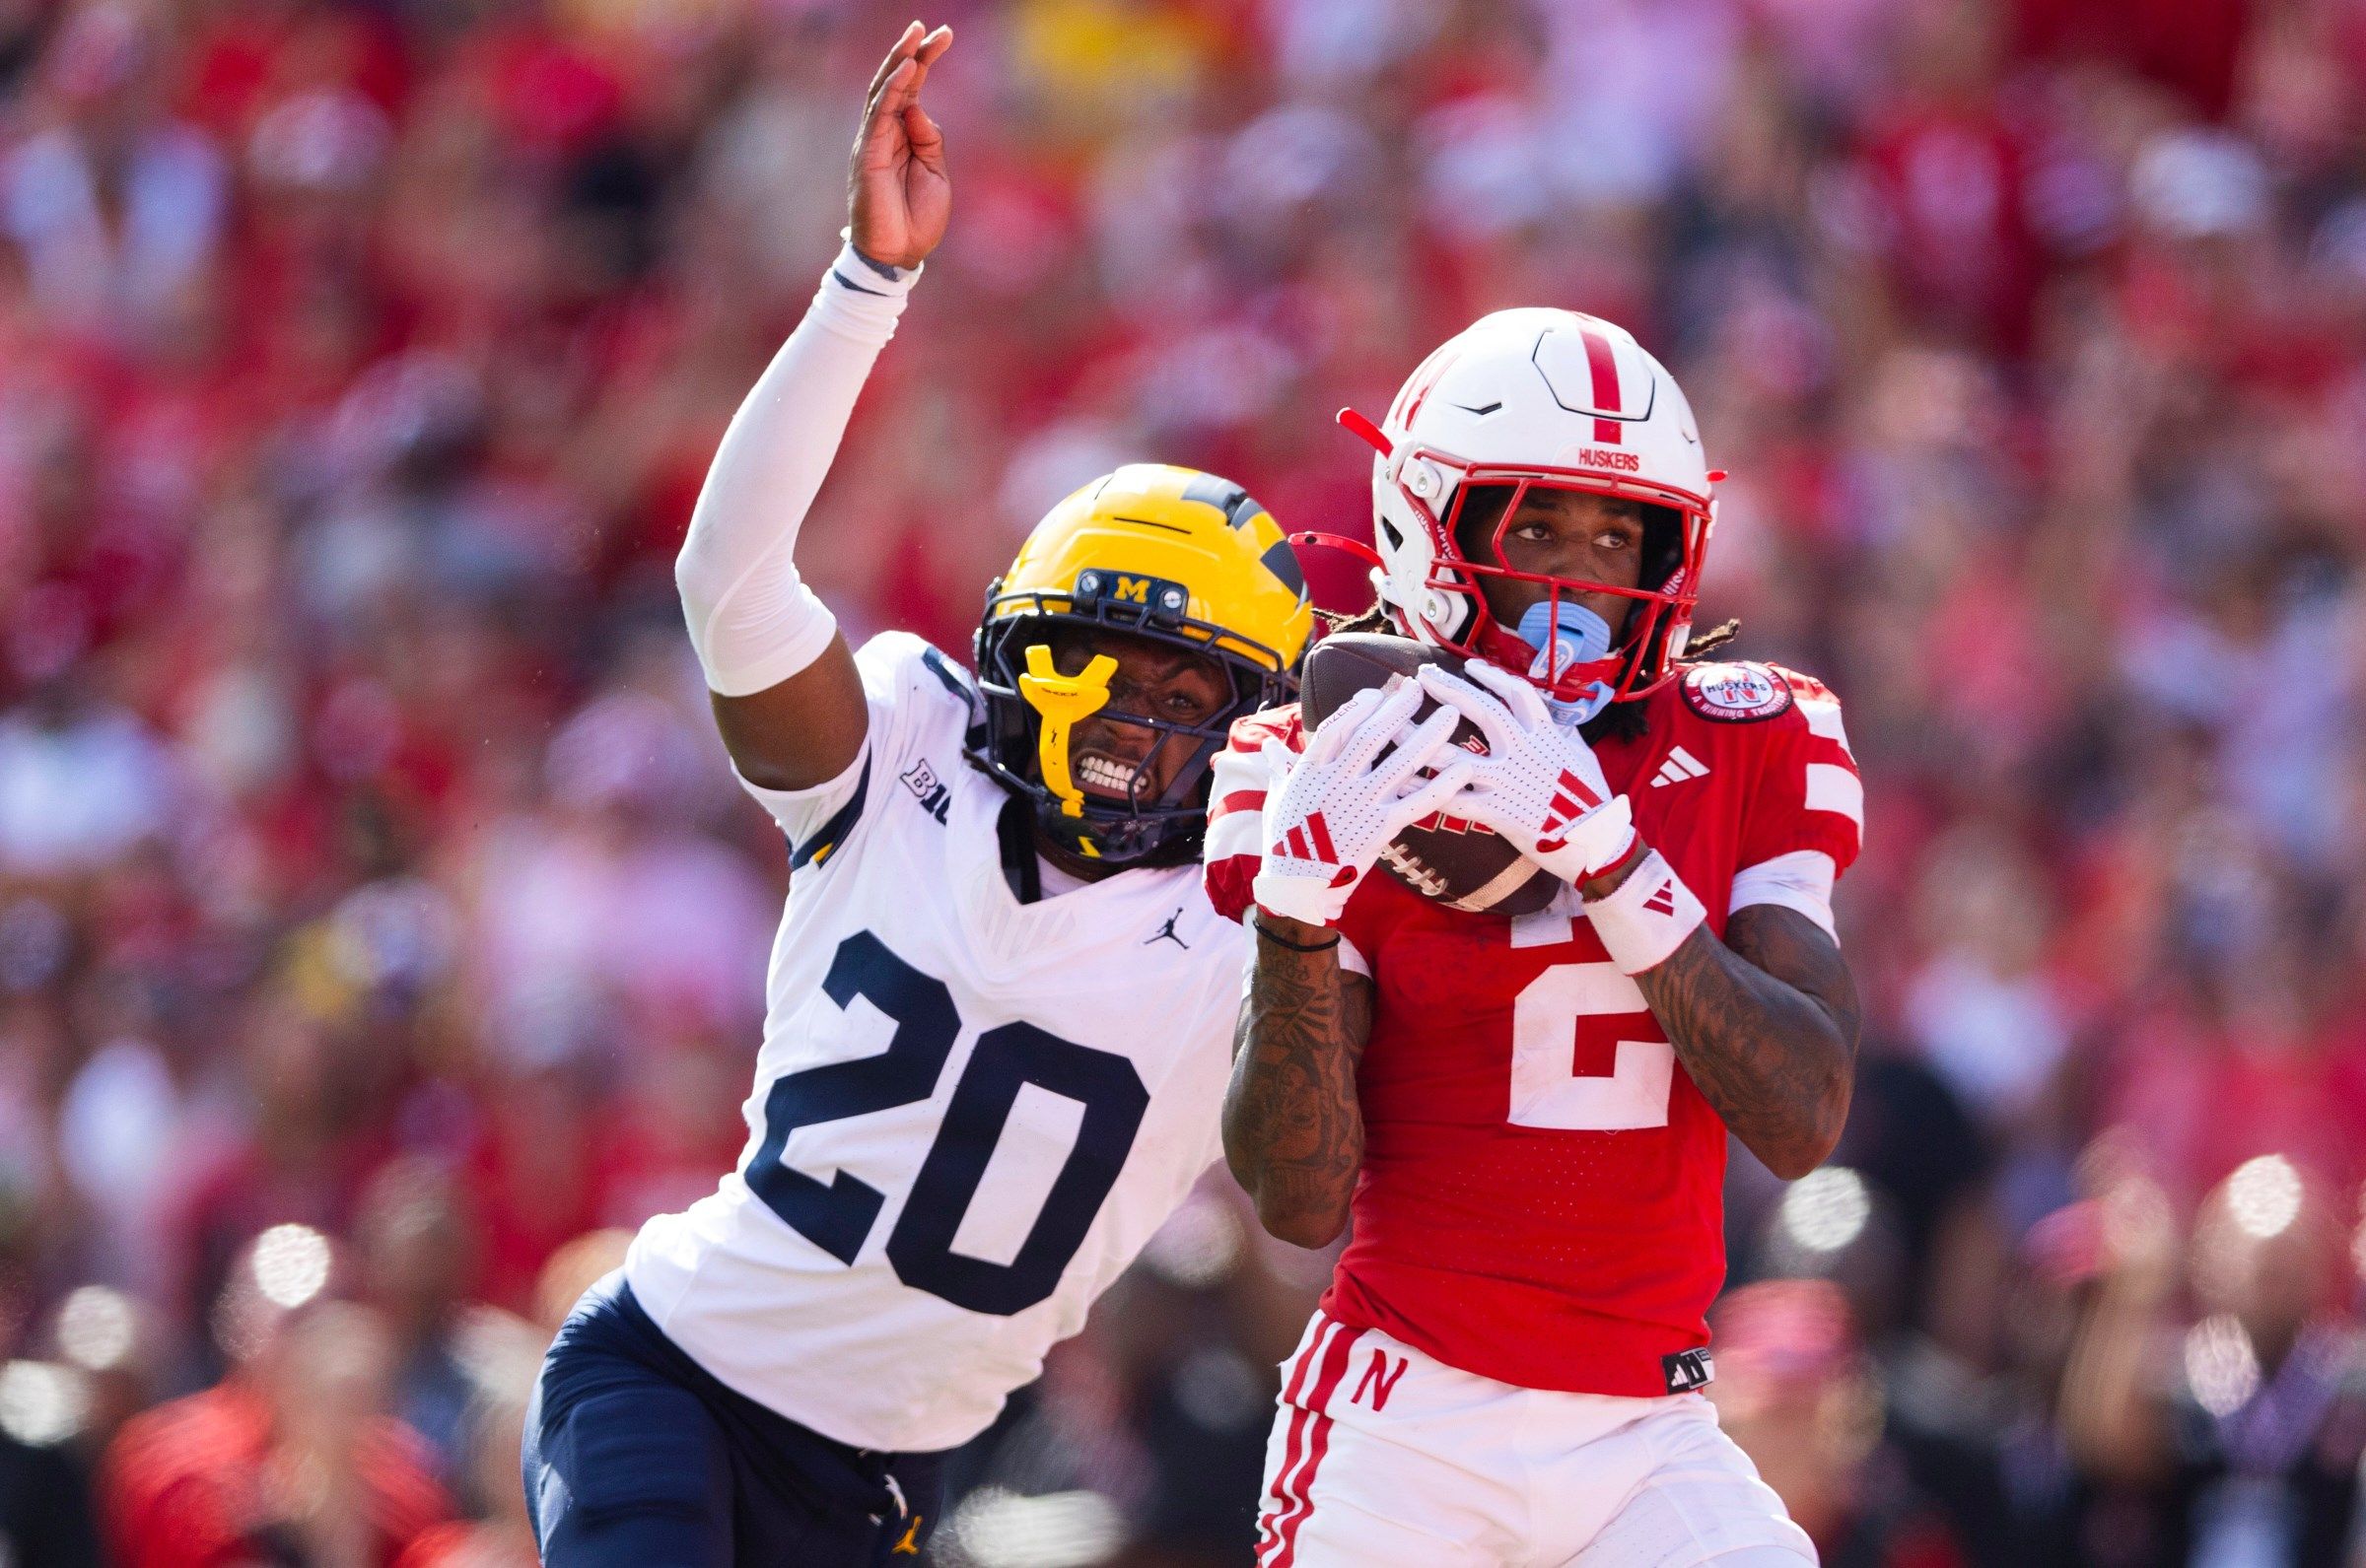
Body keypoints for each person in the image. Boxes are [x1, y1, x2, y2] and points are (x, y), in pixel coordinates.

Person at [522, 22, 1314, 1566]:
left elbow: (1317, 1185)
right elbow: (729, 578)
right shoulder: (905, 747)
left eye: (1182, 693)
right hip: (670, 1372)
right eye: (1098, 663)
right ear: (1018, 654)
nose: (1133, 724)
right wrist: (863, 287)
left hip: (891, 1481)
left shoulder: (1260, 925)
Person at [1205, 308, 1865, 1564]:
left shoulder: (1752, 735)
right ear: (1429, 524)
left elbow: (1801, 1115)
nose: (1585, 574)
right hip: (1407, 1426)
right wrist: (1294, 919)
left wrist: (1612, 862)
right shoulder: (1325, 757)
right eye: (1540, 526)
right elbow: (1298, 1199)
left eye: (1622, 532)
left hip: (1646, 1434)